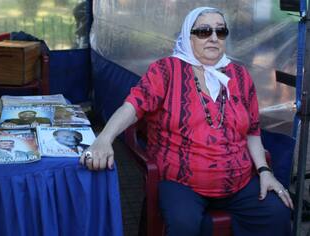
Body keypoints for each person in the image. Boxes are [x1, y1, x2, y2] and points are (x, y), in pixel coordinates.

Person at [79, 6, 293, 236]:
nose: (213, 37)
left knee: (277, 213)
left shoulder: (240, 76)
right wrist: (104, 139)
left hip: (238, 182)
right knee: (184, 225)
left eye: (220, 32)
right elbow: (132, 107)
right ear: (187, 36)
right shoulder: (166, 71)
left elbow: (252, 132)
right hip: (182, 181)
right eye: (203, 31)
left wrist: (264, 171)